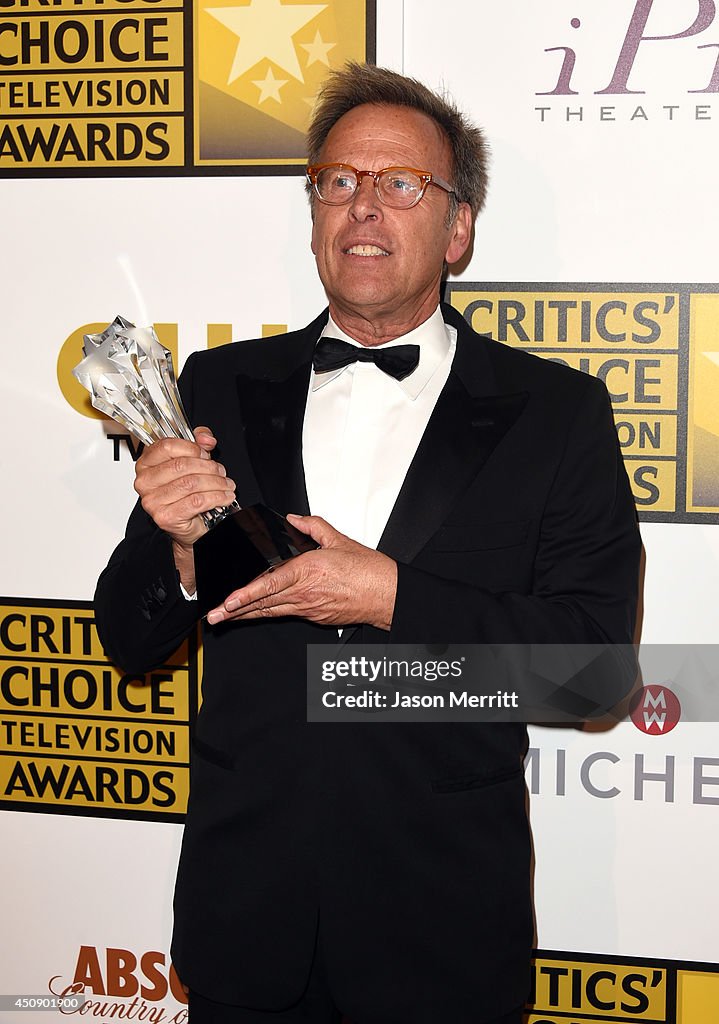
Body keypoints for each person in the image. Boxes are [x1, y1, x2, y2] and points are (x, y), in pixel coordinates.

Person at [94, 63, 641, 1024]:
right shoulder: (216, 386)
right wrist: (180, 558)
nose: (362, 209)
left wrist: (391, 597)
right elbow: (128, 638)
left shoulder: (555, 414)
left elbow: (595, 678)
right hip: (244, 925)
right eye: (337, 182)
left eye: (400, 184)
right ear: (313, 215)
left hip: (440, 933)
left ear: (458, 228)